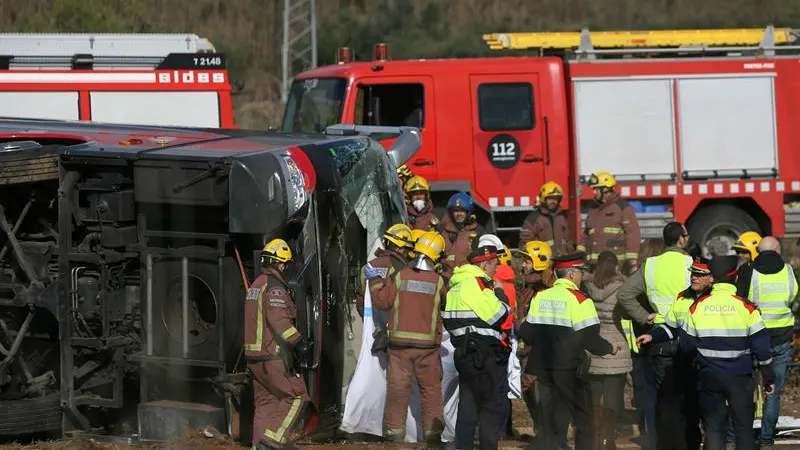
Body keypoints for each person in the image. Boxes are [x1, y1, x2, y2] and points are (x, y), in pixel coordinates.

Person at [518, 251, 620, 450]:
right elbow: (590, 339)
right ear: (572, 274)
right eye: (581, 271)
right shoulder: (580, 300)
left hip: (543, 369)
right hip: (569, 369)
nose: (583, 276)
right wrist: (610, 348)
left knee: (549, 420)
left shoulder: (541, 297)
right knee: (583, 418)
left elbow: (527, 334)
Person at [679, 255, 775, 450]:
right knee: (743, 429)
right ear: (736, 278)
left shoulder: (697, 307)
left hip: (709, 376)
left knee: (713, 429)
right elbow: (762, 346)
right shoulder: (746, 307)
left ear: (713, 278)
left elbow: (686, 346)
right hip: (740, 377)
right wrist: (768, 376)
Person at [617, 222, 692, 450]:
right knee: (684, 395)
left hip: (657, 335)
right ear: (681, 239)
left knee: (655, 396)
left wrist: (645, 317)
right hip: (686, 332)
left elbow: (625, 294)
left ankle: (654, 442)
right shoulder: (691, 263)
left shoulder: (650, 265)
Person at [368, 230, 448, 443]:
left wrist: (375, 281)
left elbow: (382, 302)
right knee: (430, 391)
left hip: (399, 347)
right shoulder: (439, 281)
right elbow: (446, 306)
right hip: (427, 349)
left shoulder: (401, 275)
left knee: (397, 391)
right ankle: (433, 437)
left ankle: (394, 438)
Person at [636, 258, 712, 450]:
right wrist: (652, 336)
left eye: (700, 275)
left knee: (710, 415)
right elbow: (671, 327)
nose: (694, 278)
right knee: (686, 412)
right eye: (693, 274)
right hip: (685, 363)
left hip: (710, 365)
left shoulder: (716, 300)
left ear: (711, 278)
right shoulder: (682, 298)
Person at [442, 241, 511, 450]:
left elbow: (449, 321)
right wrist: (500, 293)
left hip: (463, 353)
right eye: (494, 264)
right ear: (484, 265)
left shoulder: (456, 286)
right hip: (484, 355)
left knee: (468, 407)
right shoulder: (478, 284)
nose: (496, 268)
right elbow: (500, 315)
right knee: (490, 407)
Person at [244, 239, 312, 450]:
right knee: (297, 396)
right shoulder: (274, 287)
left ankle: (258, 446)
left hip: (254, 358)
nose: (285, 267)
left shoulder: (256, 284)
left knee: (266, 403)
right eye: (284, 263)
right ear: (277, 263)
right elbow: (278, 319)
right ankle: (272, 442)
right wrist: (298, 342)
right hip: (272, 355)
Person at [736, 236, 799, 447]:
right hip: (781, 337)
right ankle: (766, 440)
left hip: (754, 337)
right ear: (778, 249)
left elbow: (740, 301)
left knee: (746, 391)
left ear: (758, 251)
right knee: (773, 392)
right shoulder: (789, 271)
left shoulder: (748, 270)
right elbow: (793, 298)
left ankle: (740, 438)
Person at [513, 240, 566, 447]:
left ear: (537, 262)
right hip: (529, 353)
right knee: (532, 396)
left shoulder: (541, 291)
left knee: (538, 398)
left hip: (537, 354)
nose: (522, 265)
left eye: (526, 261)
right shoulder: (530, 288)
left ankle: (547, 438)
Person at [584, 251, 631, 450]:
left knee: (594, 399)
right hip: (616, 346)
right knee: (613, 398)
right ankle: (607, 439)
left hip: (593, 346)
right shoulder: (623, 288)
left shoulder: (587, 286)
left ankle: (594, 439)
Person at [578, 170, 641, 268]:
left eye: (596, 189)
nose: (594, 192)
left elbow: (632, 235)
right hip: (593, 266)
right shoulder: (593, 209)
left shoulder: (622, 208)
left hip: (616, 266)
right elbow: (586, 234)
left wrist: (631, 262)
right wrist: (579, 253)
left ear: (606, 189)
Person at [355, 223, 414, 319]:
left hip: (371, 326)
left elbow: (360, 299)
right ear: (400, 248)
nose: (408, 253)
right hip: (393, 325)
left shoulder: (368, 266)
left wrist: (369, 320)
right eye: (407, 249)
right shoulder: (401, 268)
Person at [519, 181, 574, 255]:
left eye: (556, 198)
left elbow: (568, 240)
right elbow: (525, 242)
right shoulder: (533, 218)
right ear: (543, 199)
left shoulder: (562, 217)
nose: (553, 201)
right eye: (550, 198)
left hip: (561, 261)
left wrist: (571, 255)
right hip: (542, 262)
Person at [438, 192, 485, 279]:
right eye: (455, 211)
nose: (458, 214)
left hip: (467, 279)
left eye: (462, 210)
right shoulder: (443, 230)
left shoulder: (478, 231)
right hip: (445, 279)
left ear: (469, 212)